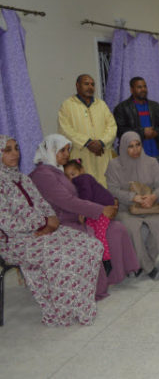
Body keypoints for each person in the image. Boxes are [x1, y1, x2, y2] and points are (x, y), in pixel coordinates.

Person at [0, 135, 103, 326]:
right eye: (7, 150)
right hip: (15, 241)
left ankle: (80, 305)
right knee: (63, 257)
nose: (15, 153)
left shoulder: (23, 179)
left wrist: (50, 222)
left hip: (44, 230)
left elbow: (43, 204)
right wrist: (43, 222)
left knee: (91, 246)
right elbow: (6, 222)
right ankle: (61, 312)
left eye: (16, 148)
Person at [29, 134, 139, 299]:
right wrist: (100, 210)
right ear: (50, 151)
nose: (67, 154)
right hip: (61, 223)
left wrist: (104, 204)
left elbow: (79, 196)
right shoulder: (43, 175)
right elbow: (66, 201)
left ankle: (117, 273)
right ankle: (94, 287)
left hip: (77, 216)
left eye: (68, 150)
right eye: (62, 150)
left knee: (116, 229)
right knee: (92, 240)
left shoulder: (57, 170)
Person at [106, 131, 159, 280]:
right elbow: (112, 190)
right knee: (132, 229)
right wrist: (133, 197)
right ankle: (149, 267)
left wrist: (153, 197)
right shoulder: (114, 165)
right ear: (123, 147)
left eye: (138, 145)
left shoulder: (151, 162)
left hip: (150, 206)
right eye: (130, 146)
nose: (135, 149)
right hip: (126, 209)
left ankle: (143, 262)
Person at [57, 74, 117, 186]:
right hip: (81, 153)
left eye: (92, 84)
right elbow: (65, 130)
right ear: (77, 85)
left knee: (105, 186)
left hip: (101, 153)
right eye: (86, 84)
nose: (90, 87)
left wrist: (101, 142)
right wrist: (87, 142)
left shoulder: (101, 105)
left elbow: (112, 127)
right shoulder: (67, 105)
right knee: (84, 187)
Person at [62, 159, 114, 267]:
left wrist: (83, 211)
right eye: (67, 176)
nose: (71, 178)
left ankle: (106, 259)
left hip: (104, 207)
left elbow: (87, 196)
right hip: (97, 209)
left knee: (100, 231)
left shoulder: (83, 179)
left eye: (73, 174)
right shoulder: (78, 182)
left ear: (82, 170)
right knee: (91, 228)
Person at [113, 77, 159, 165]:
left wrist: (156, 132)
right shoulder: (122, 108)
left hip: (156, 155)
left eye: (145, 86)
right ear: (132, 90)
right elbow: (120, 131)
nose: (143, 89)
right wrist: (142, 132)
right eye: (139, 87)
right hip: (133, 157)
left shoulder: (155, 106)